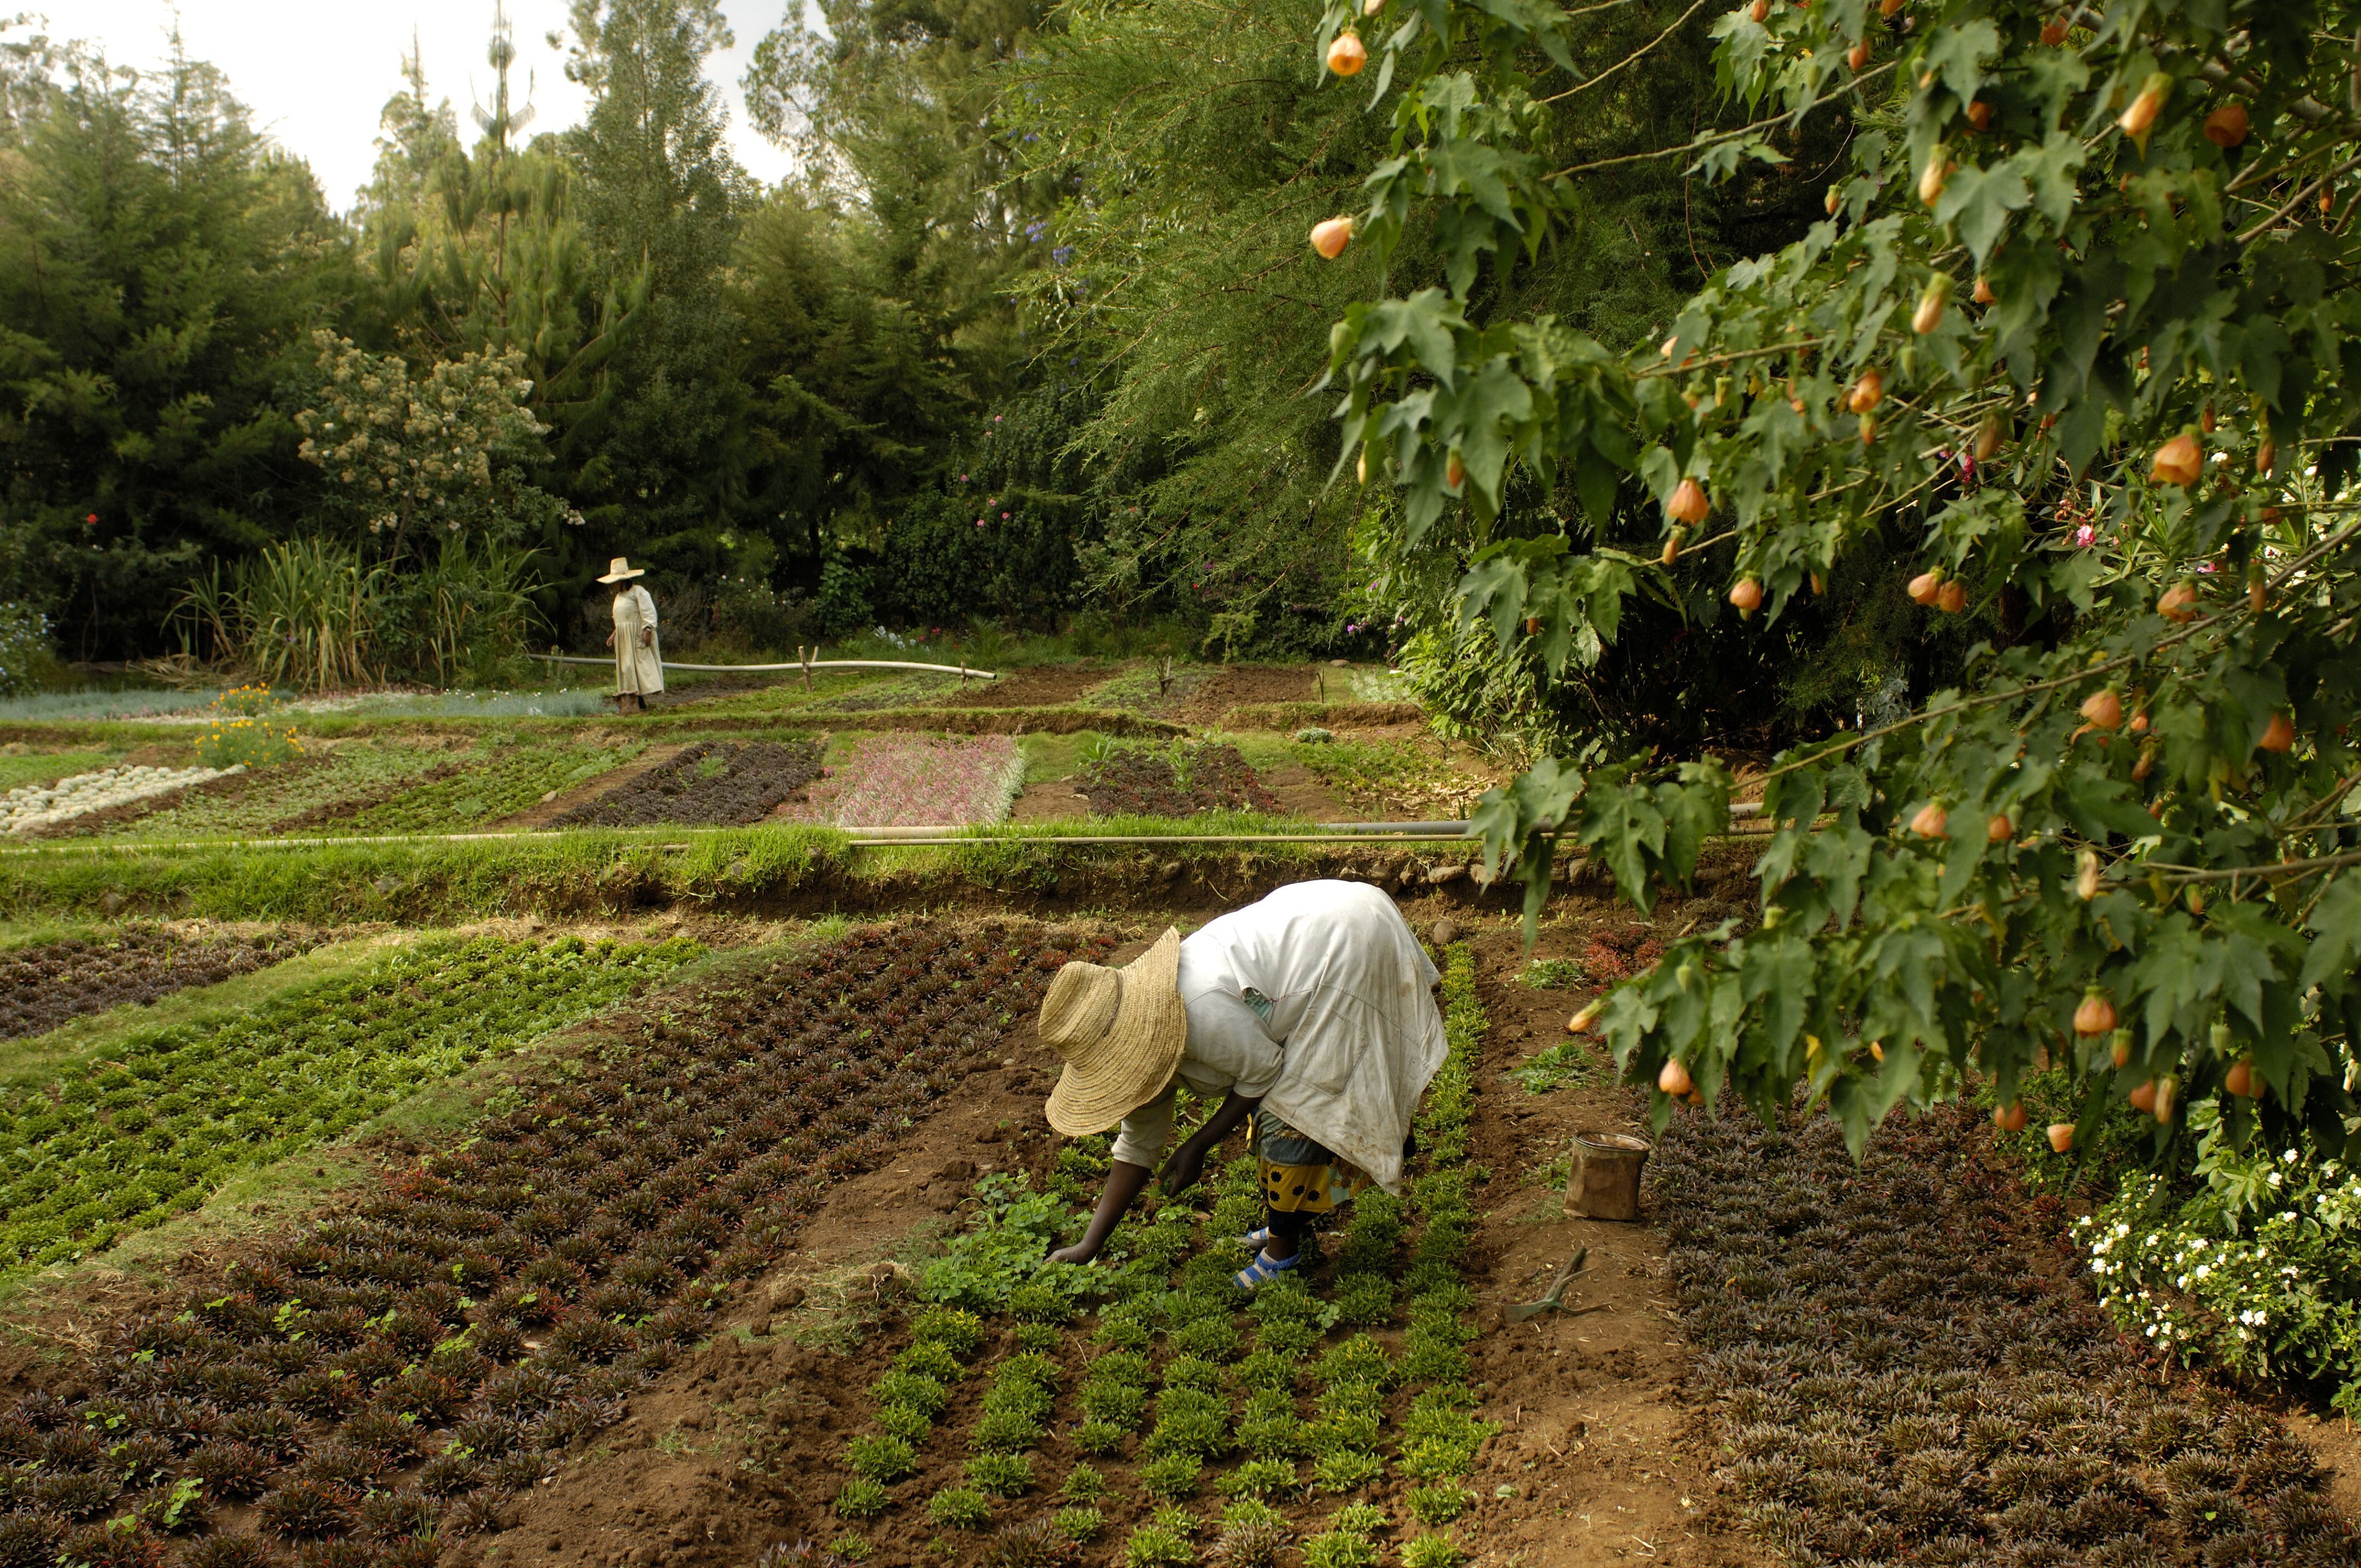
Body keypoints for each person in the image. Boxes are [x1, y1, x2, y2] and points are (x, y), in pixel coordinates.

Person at [1037, 879, 1446, 1289]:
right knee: (1281, 1107)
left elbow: (1264, 1071)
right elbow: (1137, 1146)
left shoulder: (1197, 1011)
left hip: (1348, 941)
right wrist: (1090, 1244)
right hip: (1324, 927)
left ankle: (1283, 1253)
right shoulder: (1146, 1046)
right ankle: (1287, 1223)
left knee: (1288, 1115)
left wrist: (1198, 1144)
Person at [600, 558, 663, 712]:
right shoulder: (619, 597)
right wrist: (614, 635)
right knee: (627, 669)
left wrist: (648, 630)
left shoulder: (638, 592)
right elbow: (621, 620)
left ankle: (640, 698)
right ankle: (633, 700)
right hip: (623, 639)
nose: (614, 585)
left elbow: (648, 612)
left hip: (635, 636)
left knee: (639, 667)